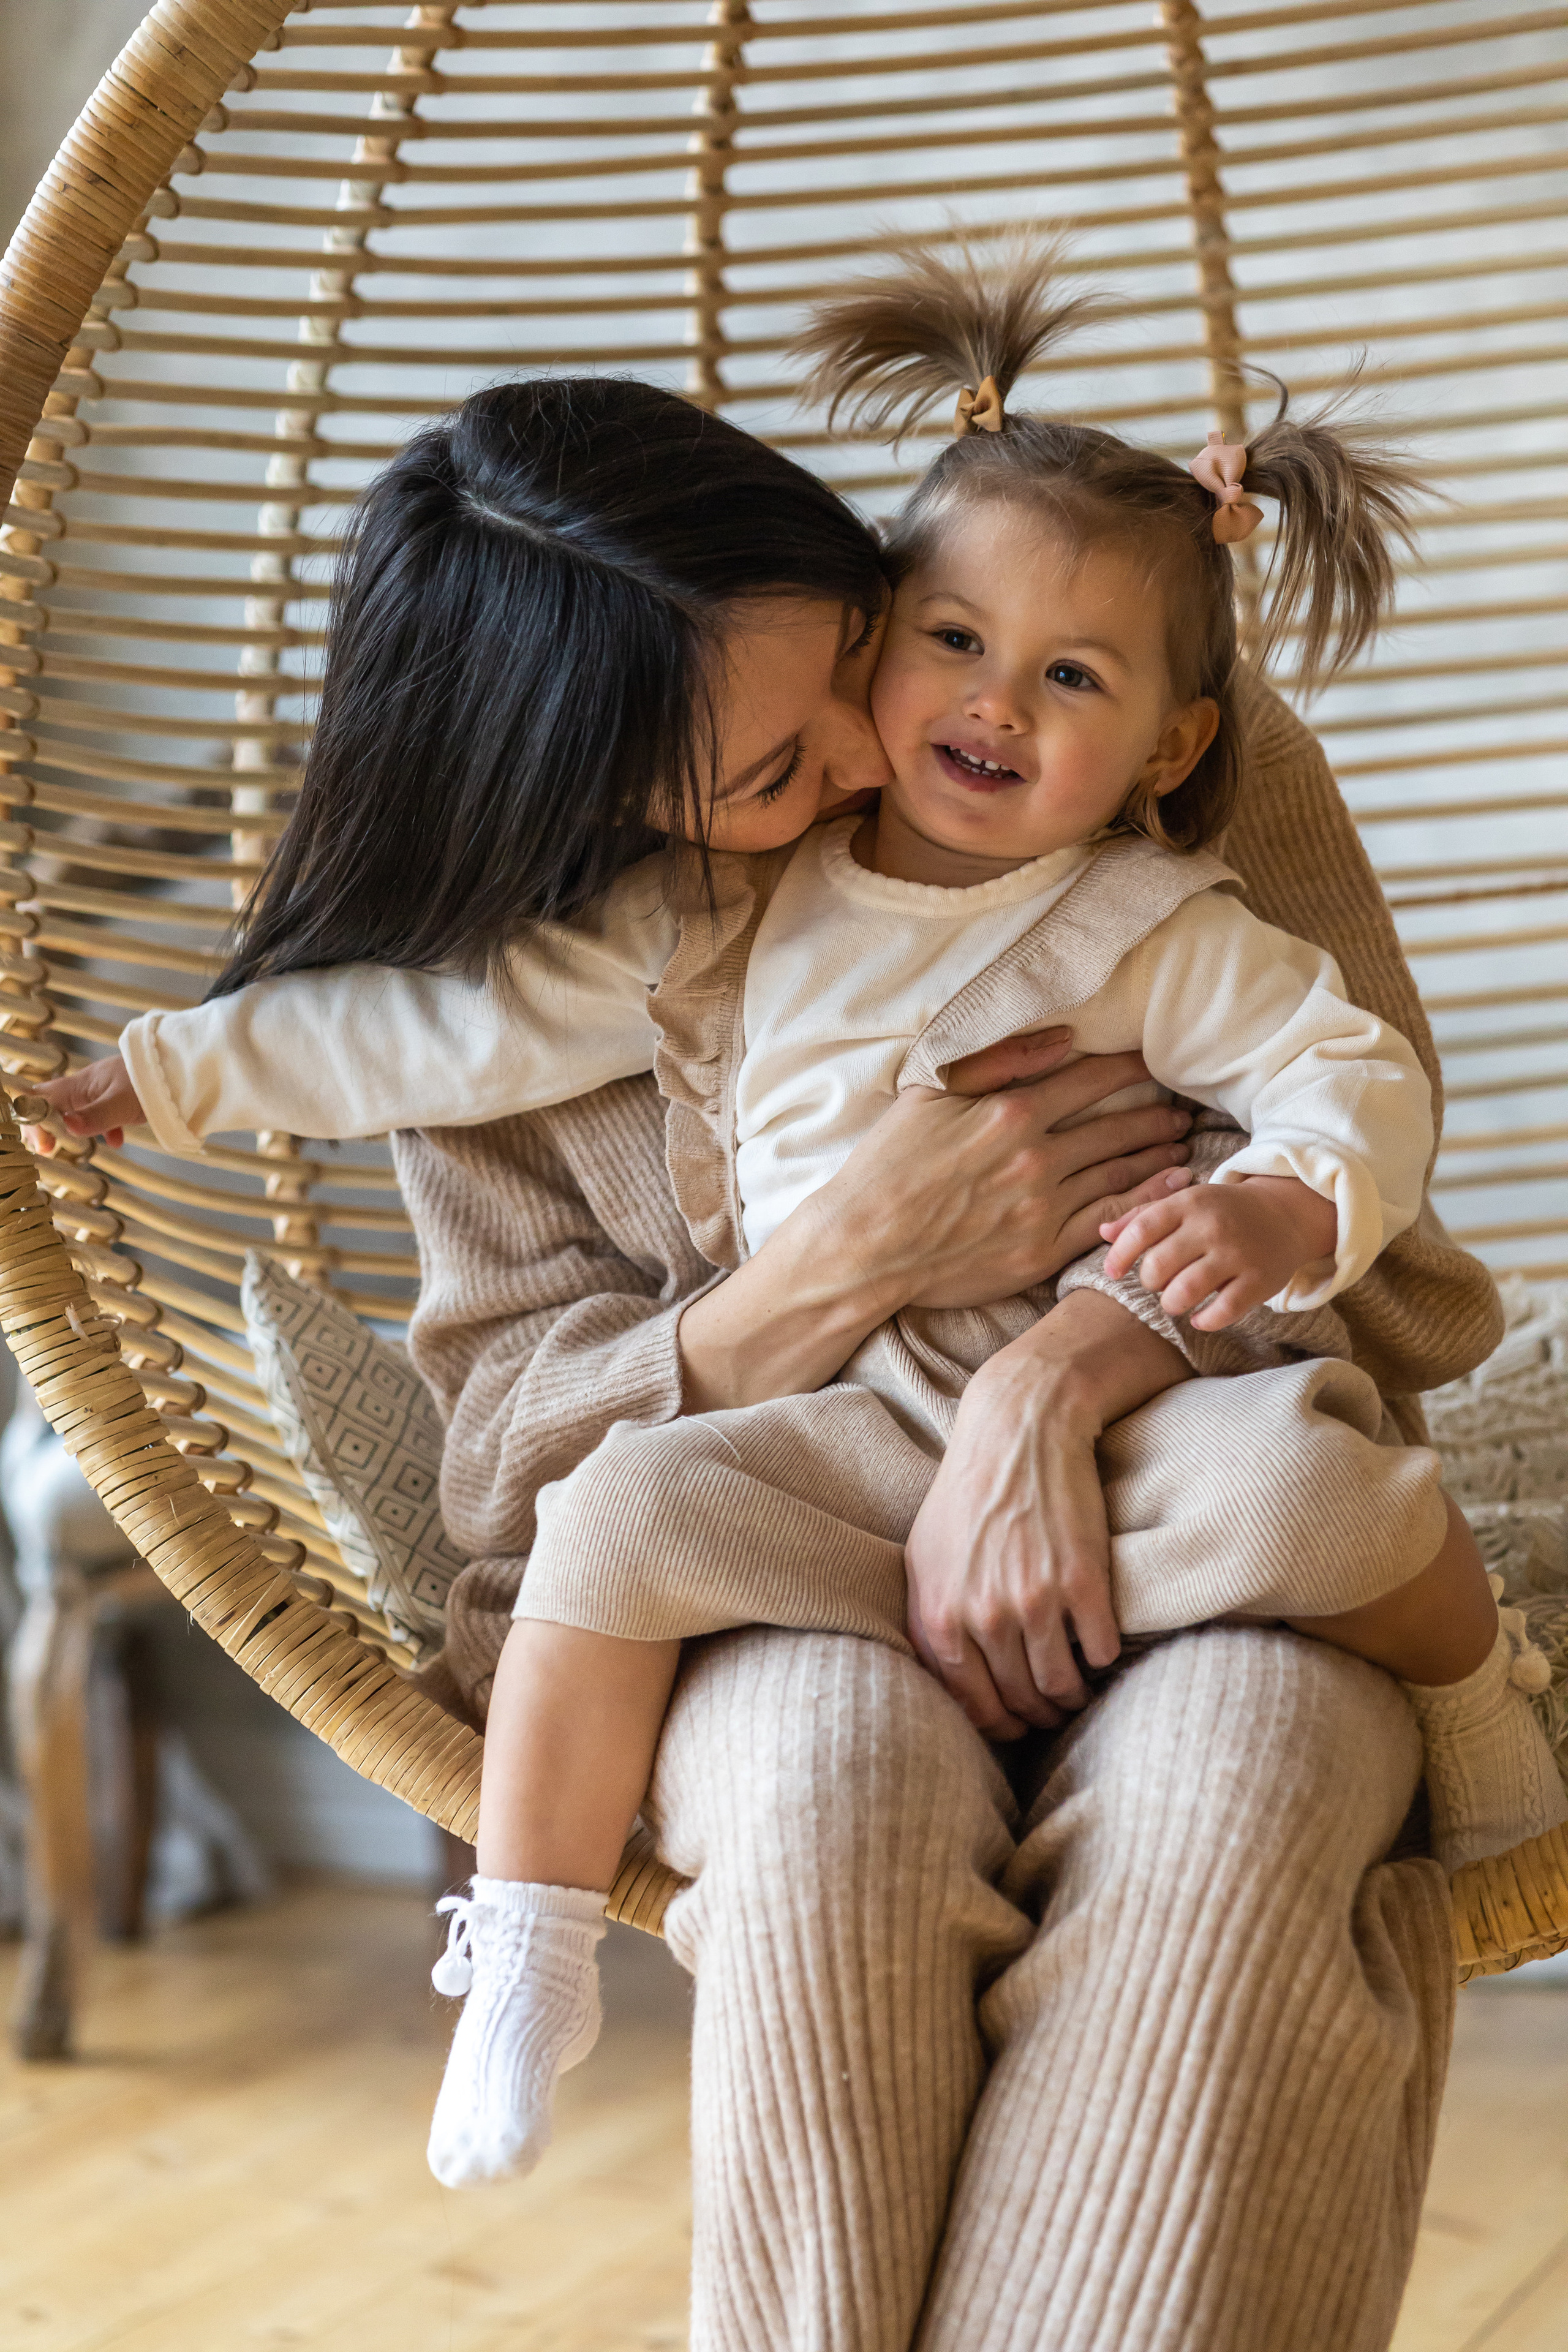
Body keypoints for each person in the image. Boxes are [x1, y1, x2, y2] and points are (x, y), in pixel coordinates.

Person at [31, 323, 1504, 2325]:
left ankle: (1486, 1701)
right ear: (605, 795)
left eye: (857, 666)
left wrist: (1074, 1373)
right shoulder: (614, 956)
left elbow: (1391, 1240)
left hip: (1163, 1454)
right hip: (787, 1527)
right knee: (828, 1807)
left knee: (1239, 1781)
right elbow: (525, 1470)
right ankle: (524, 1956)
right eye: (784, 763)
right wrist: (847, 1263)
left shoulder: (1150, 818)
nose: (888, 755)